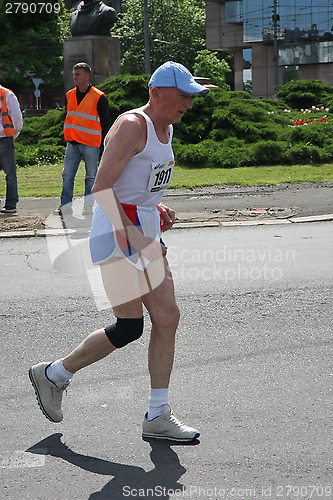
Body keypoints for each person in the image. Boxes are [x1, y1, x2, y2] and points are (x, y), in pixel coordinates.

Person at [29, 61, 209, 441]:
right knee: (131, 326)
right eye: (183, 95)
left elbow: (135, 183)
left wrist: (155, 207)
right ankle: (54, 373)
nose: (188, 104)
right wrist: (128, 232)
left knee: (167, 316)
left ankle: (157, 413)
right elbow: (102, 186)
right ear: (157, 93)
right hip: (115, 231)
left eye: (192, 97)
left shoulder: (166, 127)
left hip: (141, 227)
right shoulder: (132, 126)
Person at [56, 62, 112, 216]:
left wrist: (102, 142)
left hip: (90, 143)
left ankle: (88, 208)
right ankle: (65, 206)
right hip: (72, 142)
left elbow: (105, 120)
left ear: (87, 76)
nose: (74, 77)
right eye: (74, 74)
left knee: (91, 177)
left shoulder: (99, 97)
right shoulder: (69, 95)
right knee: (67, 175)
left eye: (77, 74)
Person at [0, 84, 23, 214]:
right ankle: (10, 204)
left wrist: (13, 135)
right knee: (10, 173)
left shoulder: (7, 95)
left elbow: (17, 120)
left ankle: (11, 204)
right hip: (5, 138)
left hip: (4, 138)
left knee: (10, 173)